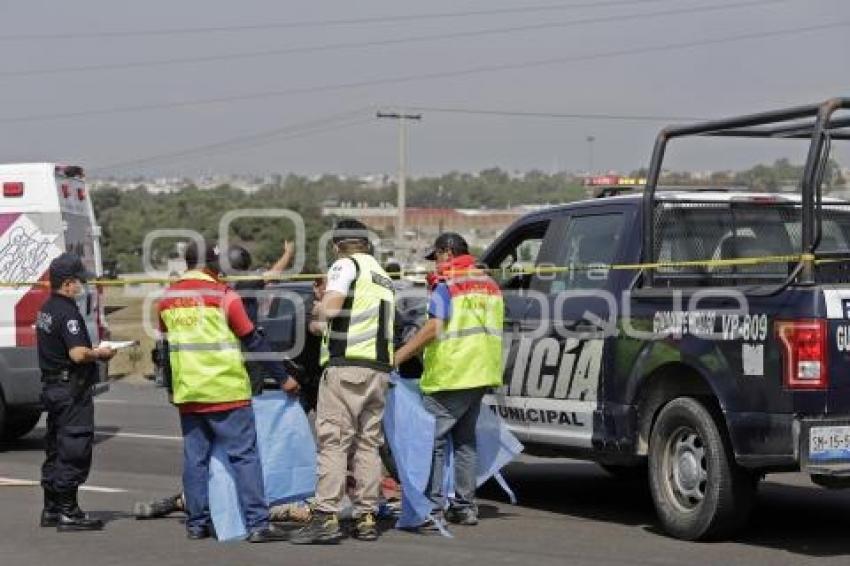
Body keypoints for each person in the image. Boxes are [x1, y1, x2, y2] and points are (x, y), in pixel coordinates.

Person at [157, 240, 299, 543]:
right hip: (226, 389)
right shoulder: (223, 295)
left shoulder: (167, 298)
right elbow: (253, 340)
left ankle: (196, 524)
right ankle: (258, 525)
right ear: (211, 264)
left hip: (189, 393)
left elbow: (166, 347)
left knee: (195, 461)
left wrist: (171, 388)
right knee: (244, 457)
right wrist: (283, 378)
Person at [291, 219, 395, 544]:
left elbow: (333, 309)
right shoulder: (383, 276)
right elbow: (352, 321)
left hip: (345, 369)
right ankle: (367, 516)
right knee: (368, 444)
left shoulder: (344, 266)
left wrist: (320, 306)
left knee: (334, 442)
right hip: (377, 369)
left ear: (337, 246)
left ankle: (326, 516)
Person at [394, 232, 504, 528]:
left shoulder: (447, 286)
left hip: (452, 374)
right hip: (482, 373)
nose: (434, 266)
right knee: (466, 442)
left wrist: (399, 356)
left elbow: (433, 328)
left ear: (447, 253)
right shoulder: (490, 285)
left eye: (436, 258)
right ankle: (465, 508)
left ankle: (430, 508)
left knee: (433, 441)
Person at [37, 253, 116, 531]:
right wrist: (101, 353)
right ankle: (69, 512)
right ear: (68, 283)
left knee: (56, 447)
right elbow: (78, 353)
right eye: (78, 282)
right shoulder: (68, 312)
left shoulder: (46, 309)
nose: (81, 287)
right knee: (74, 447)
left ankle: (51, 508)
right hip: (71, 389)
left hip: (54, 387)